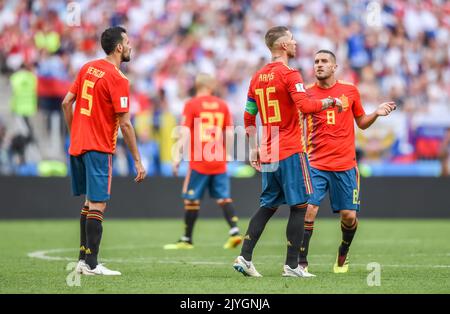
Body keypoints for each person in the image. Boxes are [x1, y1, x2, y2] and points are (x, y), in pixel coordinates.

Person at [233, 26, 343, 278]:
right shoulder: (290, 74)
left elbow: (249, 116)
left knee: (268, 205)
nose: (295, 43)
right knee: (300, 205)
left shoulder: (256, 77)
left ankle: (244, 256)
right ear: (283, 45)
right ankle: (292, 266)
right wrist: (330, 101)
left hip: (269, 150)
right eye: (292, 40)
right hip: (291, 149)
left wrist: (254, 148)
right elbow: (305, 105)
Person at [299, 50, 396, 273]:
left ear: (334, 67)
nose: (319, 65)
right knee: (309, 209)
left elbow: (361, 122)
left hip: (345, 165)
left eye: (324, 61)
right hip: (315, 164)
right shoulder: (306, 94)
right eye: (316, 62)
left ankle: (344, 251)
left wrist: (376, 113)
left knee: (349, 216)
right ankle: (301, 261)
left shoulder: (350, 90)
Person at [61, 26, 146, 276]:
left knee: (89, 202)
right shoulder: (118, 78)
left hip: (78, 143)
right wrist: (138, 161)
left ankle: (82, 259)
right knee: (98, 204)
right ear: (119, 47)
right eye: (128, 42)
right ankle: (92, 264)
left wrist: (73, 131)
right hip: (99, 146)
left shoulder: (87, 67)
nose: (130, 46)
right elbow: (126, 123)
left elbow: (66, 102)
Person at [165, 73, 242, 250]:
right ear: (210, 86)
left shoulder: (191, 104)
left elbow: (184, 132)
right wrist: (228, 154)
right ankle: (235, 232)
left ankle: (187, 239)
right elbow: (229, 133)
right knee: (223, 197)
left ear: (198, 86)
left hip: (199, 160)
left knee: (191, 200)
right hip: (218, 159)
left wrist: (177, 157)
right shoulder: (222, 105)